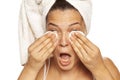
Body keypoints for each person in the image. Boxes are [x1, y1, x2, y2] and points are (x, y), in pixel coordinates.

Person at [18, 0, 120, 80]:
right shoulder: (38, 70)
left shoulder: (105, 66)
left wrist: (99, 69)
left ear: (85, 30)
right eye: (53, 31)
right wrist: (30, 68)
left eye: (73, 31)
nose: (63, 42)